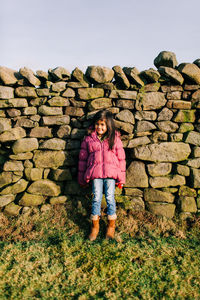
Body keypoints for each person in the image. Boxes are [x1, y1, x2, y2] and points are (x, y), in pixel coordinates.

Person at [78, 109, 126, 241]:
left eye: (103, 125)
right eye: (98, 124)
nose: (99, 127)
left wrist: (121, 179)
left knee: (110, 197)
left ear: (108, 125)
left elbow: (121, 159)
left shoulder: (114, 138)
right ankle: (95, 226)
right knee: (96, 198)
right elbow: (83, 159)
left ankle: (111, 225)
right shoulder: (89, 139)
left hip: (111, 174)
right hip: (96, 174)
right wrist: (82, 179)